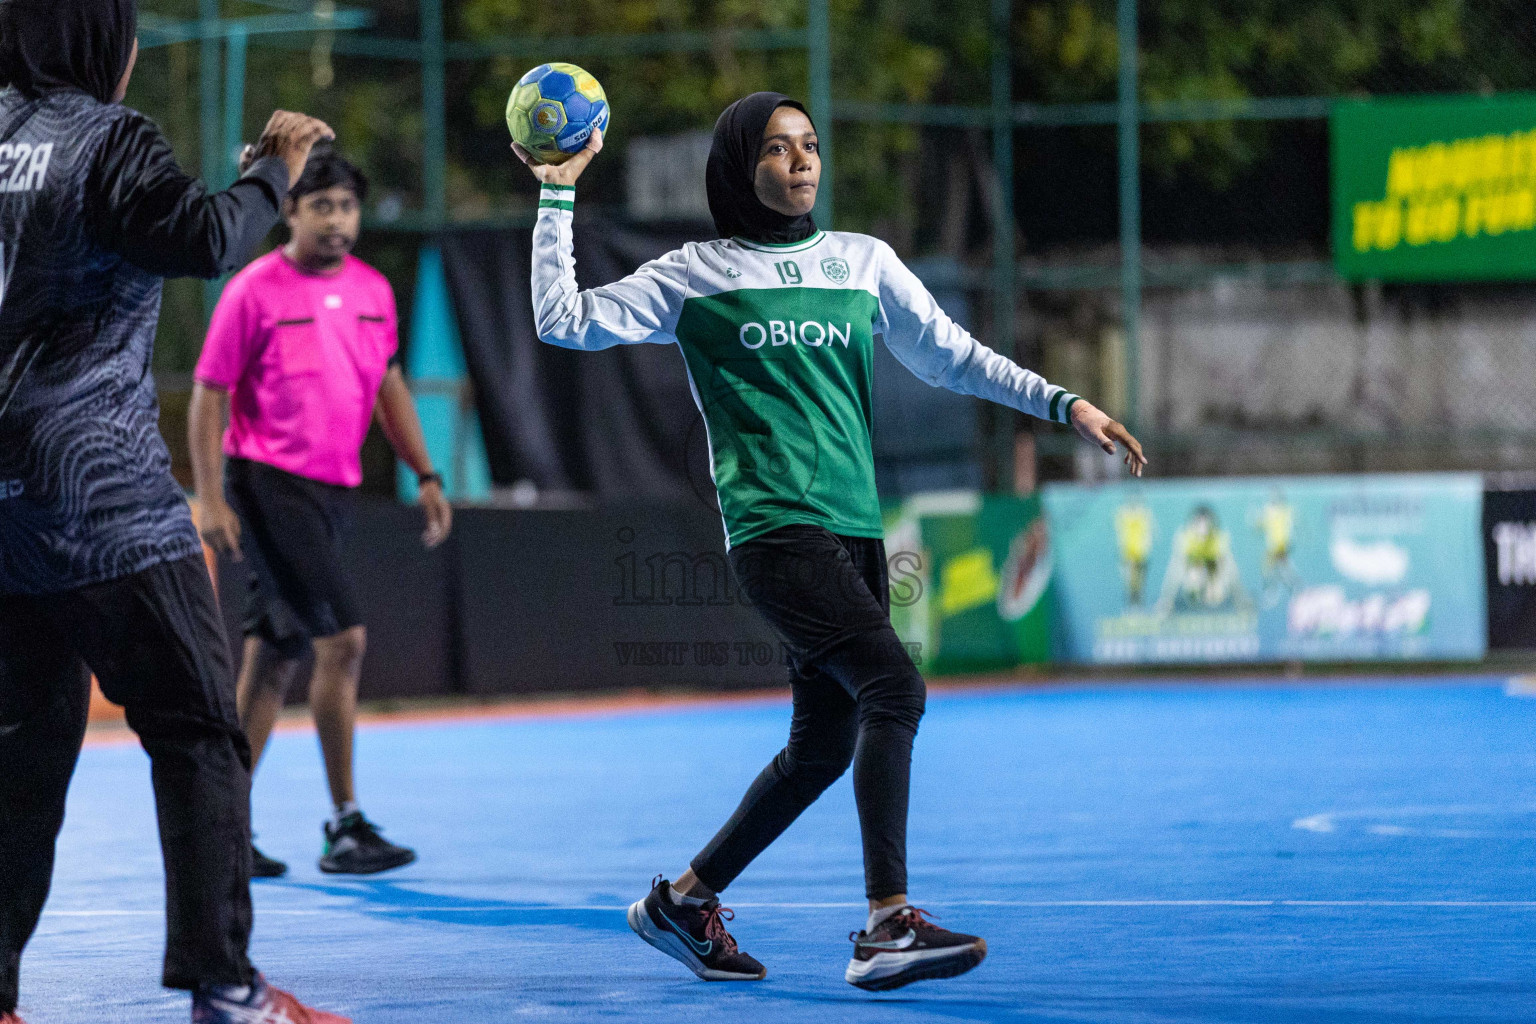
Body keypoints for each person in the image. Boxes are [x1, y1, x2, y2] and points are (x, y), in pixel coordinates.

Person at [513, 92, 1147, 991]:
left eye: (810, 145)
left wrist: (1063, 403)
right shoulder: (694, 275)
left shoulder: (862, 262)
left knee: (823, 745)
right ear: (741, 167)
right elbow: (562, 321)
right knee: (896, 686)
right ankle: (887, 924)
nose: (802, 161)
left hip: (855, 531)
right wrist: (556, 194)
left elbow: (952, 355)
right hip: (773, 532)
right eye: (778, 149)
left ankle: (683, 904)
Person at [0, 0, 348, 1021]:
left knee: (21, 755)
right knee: (200, 728)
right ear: (97, 40)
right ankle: (225, 984)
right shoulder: (106, 135)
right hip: (98, 499)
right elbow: (198, 238)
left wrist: (240, 185)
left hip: (3, 508)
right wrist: (275, 172)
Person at [189, 148, 452, 879]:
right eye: (321, 206)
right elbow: (210, 393)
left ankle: (222, 827)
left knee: (273, 656)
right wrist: (209, 498)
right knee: (344, 642)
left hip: (333, 488)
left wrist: (426, 472)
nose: (337, 221)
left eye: (347, 207)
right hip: (267, 484)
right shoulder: (252, 291)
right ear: (291, 213)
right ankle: (346, 825)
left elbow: (389, 383)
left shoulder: (373, 289)